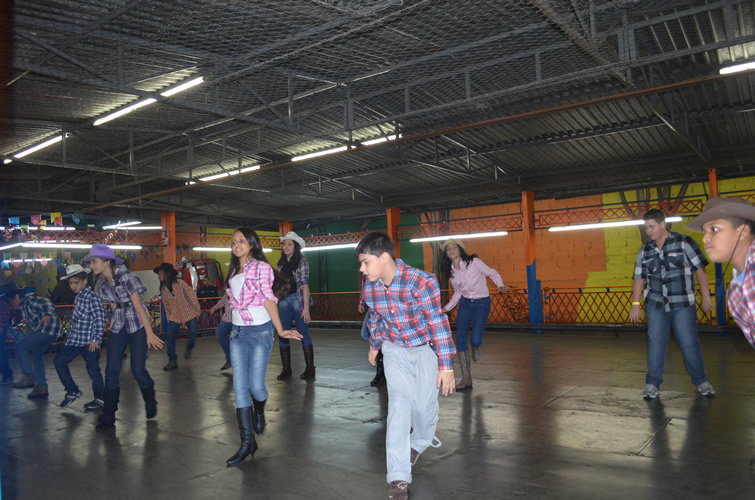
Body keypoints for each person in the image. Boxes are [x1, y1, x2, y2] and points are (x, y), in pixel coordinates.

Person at [356, 231, 456, 500]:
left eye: (365, 262)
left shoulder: (421, 282)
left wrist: (446, 365)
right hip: (394, 350)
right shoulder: (371, 286)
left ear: (384, 257)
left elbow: (437, 323)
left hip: (424, 350)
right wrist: (375, 344)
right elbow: (375, 317)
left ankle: (419, 442)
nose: (362, 269)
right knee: (398, 407)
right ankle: (398, 476)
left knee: (423, 410)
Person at [225, 227, 302, 465]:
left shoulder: (262, 268)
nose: (236, 245)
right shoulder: (233, 271)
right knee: (240, 387)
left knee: (256, 387)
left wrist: (281, 330)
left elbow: (268, 299)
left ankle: (259, 408)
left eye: (241, 240)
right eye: (233, 242)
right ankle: (247, 443)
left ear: (252, 244)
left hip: (260, 332)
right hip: (237, 333)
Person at [629, 209, 715, 400]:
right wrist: (635, 303)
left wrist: (706, 296)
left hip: (682, 303)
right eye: (646, 227)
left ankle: (701, 381)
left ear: (663, 224)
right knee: (656, 343)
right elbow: (639, 277)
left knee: (689, 343)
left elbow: (700, 270)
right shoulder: (645, 250)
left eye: (652, 226)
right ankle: (652, 384)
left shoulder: (684, 242)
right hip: (655, 304)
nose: (648, 231)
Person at [88, 244, 164, 431]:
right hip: (118, 325)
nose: (91, 265)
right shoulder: (103, 283)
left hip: (137, 323)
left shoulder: (127, 278)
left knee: (138, 370)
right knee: (111, 371)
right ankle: (108, 416)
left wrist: (150, 333)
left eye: (94, 261)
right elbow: (113, 304)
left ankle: (150, 397)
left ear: (107, 262)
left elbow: (138, 306)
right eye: (90, 262)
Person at [687, 196, 755, 349]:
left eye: (714, 229)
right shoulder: (734, 294)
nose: (705, 238)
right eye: (704, 231)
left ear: (742, 231)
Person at [440, 238, 506, 391]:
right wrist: (446, 308)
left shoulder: (474, 262)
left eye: (454, 247)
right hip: (465, 304)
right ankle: (466, 378)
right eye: (448, 248)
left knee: (475, 339)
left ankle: (475, 347)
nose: (451, 250)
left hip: (482, 303)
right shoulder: (451, 271)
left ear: (460, 249)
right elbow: (458, 292)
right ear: (446, 253)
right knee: (460, 337)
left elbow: (491, 272)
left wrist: (500, 285)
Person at [53, 264, 106, 411]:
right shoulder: (78, 297)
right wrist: (69, 337)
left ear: (84, 281)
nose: (73, 286)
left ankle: (100, 398)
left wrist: (96, 339)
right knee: (59, 361)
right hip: (75, 341)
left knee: (93, 371)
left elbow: (100, 318)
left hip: (89, 342)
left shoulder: (92, 297)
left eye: (76, 283)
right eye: (70, 283)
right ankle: (72, 391)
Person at [1, 282, 61, 399]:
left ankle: (28, 376)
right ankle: (41, 387)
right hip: (47, 330)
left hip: (47, 328)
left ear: (16, 297)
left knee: (21, 346)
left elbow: (46, 302)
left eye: (9, 302)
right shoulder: (22, 307)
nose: (9, 305)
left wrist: (47, 314)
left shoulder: (29, 301)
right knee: (36, 355)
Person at [275, 231, 315, 380]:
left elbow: (305, 285)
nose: (286, 247)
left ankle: (310, 368)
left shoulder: (302, 262)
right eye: (284, 244)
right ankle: (286, 369)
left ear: (295, 246)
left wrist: (306, 308)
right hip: (283, 300)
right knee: (283, 333)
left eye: (289, 244)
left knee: (303, 332)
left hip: (298, 300)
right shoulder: (280, 264)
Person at [154, 262, 201, 371]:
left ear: (168, 273)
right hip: (175, 315)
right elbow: (166, 305)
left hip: (188, 311)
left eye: (161, 273)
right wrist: (169, 317)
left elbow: (191, 296)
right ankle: (172, 360)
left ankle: (189, 348)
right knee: (170, 338)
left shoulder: (180, 283)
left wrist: (197, 310)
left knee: (193, 332)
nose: (159, 276)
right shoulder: (163, 289)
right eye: (159, 274)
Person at [358, 274, 384, 386]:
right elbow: (364, 285)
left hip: (385, 308)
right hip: (374, 308)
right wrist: (361, 302)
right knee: (368, 333)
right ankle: (380, 373)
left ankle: (383, 373)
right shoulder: (367, 275)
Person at [210, 290, 233, 370]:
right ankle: (230, 359)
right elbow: (224, 300)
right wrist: (215, 307)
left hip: (238, 319)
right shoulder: (228, 288)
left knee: (238, 341)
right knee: (220, 333)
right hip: (227, 318)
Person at [0, 283, 16, 385]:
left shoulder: (2, 302)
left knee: (0, 352)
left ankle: (7, 374)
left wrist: (1, 327)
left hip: (1, 328)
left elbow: (3, 317)